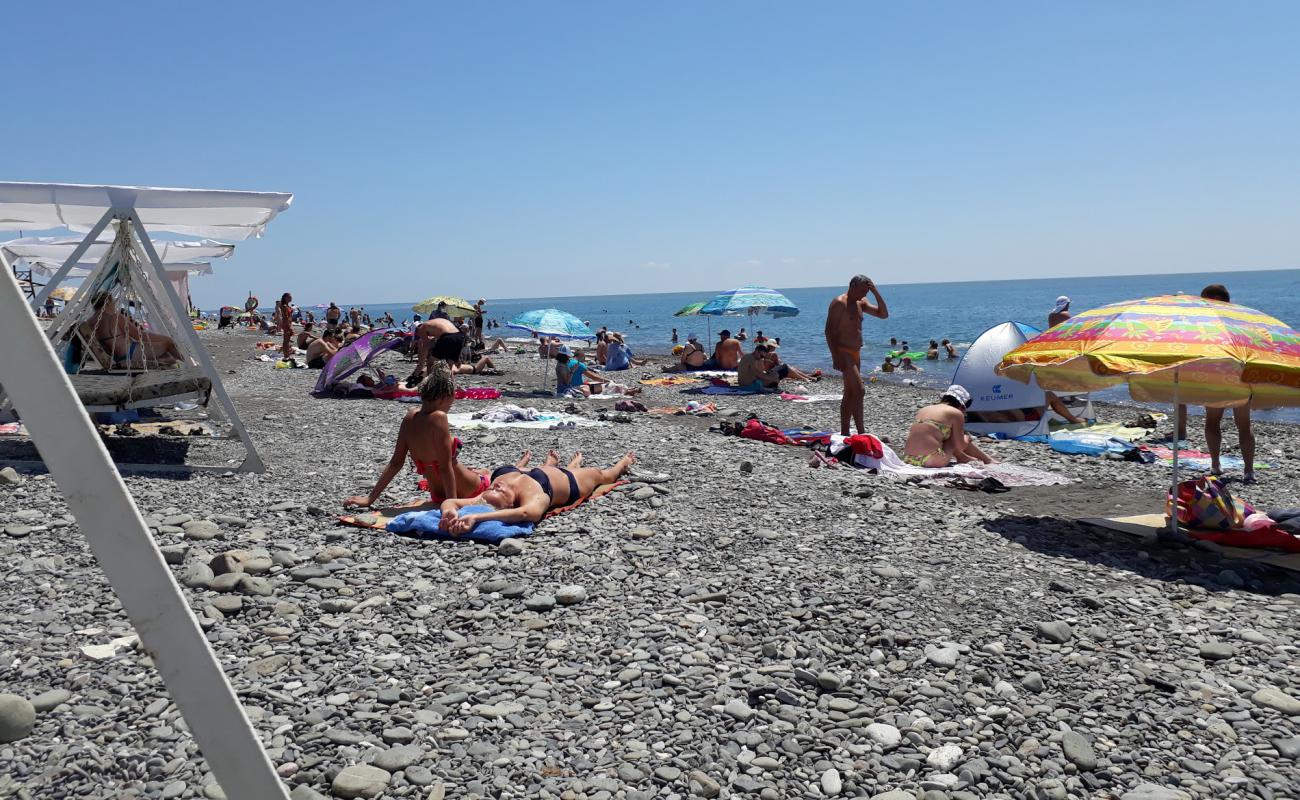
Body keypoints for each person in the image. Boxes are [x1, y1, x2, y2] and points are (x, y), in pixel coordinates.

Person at [344, 367, 489, 508]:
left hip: (438, 496)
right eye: (453, 397)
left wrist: (370, 498)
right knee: (488, 474)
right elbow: (445, 467)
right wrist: (452, 506)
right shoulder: (439, 417)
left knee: (480, 471)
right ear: (444, 397)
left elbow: (395, 463)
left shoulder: (410, 417)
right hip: (468, 492)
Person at [437, 450, 637, 534]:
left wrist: (449, 512)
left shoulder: (486, 497)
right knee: (601, 474)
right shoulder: (533, 498)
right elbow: (527, 514)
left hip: (527, 472)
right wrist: (476, 519)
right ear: (509, 504)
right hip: (568, 481)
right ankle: (623, 463)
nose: (495, 486)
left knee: (521, 471)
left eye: (492, 487)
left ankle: (551, 464)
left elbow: (451, 502)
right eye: (498, 491)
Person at [1174, 284, 1255, 480]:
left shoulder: (1201, 324)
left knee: (1214, 422)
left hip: (1214, 377)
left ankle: (1217, 465)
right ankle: (1248, 471)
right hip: (1238, 375)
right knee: (1242, 424)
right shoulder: (1238, 320)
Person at [825, 275, 889, 436]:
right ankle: (861, 431)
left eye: (867, 290)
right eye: (863, 290)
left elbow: (883, 314)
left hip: (856, 353)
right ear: (852, 286)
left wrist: (875, 291)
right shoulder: (839, 303)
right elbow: (829, 331)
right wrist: (835, 356)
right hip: (843, 352)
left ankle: (846, 432)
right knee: (859, 390)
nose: (865, 293)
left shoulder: (862, 303)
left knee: (850, 392)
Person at [902, 385, 994, 468]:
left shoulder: (923, 410)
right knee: (954, 437)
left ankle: (969, 458)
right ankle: (987, 460)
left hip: (909, 459)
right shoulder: (956, 413)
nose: (964, 412)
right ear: (961, 405)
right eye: (965, 408)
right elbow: (960, 446)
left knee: (943, 434)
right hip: (931, 459)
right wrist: (967, 438)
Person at [89, 293, 184, 368]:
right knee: (168, 344)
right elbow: (139, 335)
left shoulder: (90, 322)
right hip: (130, 353)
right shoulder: (115, 317)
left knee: (167, 357)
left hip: (115, 357)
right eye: (113, 301)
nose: (115, 304)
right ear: (108, 302)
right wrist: (166, 338)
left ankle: (173, 367)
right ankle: (192, 366)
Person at [409, 316, 465, 382]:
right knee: (449, 366)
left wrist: (421, 364)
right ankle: (452, 385)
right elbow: (442, 338)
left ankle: (431, 383)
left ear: (417, 329)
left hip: (448, 337)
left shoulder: (421, 328)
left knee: (430, 363)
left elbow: (426, 346)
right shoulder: (434, 322)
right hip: (460, 336)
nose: (420, 336)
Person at [277, 293, 295, 357]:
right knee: (286, 341)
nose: (291, 298)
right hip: (286, 323)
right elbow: (286, 317)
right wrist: (289, 327)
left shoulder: (287, 305)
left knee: (287, 340)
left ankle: (287, 354)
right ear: (285, 298)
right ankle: (286, 355)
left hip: (288, 323)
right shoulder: (284, 306)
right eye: (289, 297)